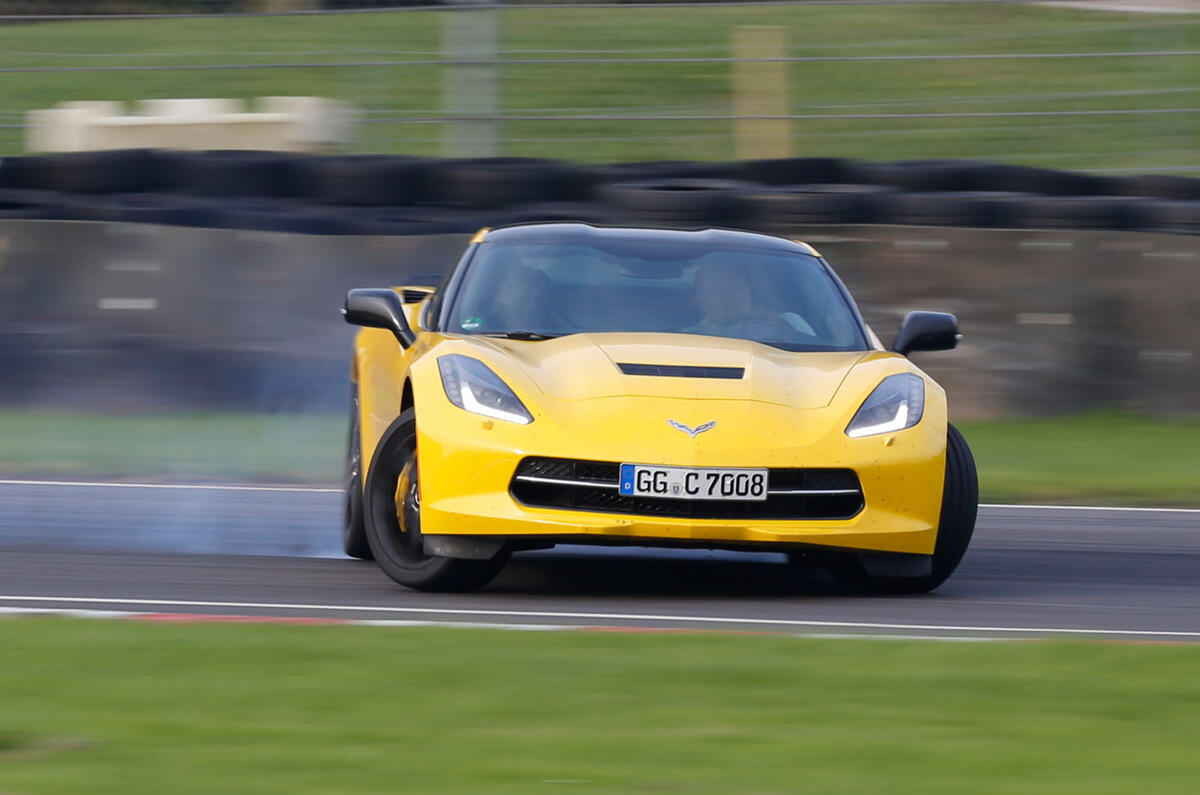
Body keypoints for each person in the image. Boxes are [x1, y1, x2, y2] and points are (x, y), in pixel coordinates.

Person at [686, 261, 809, 342]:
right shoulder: (692, 338)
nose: (732, 296)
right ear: (701, 301)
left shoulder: (790, 322)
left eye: (737, 287)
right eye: (720, 291)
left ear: (750, 290)